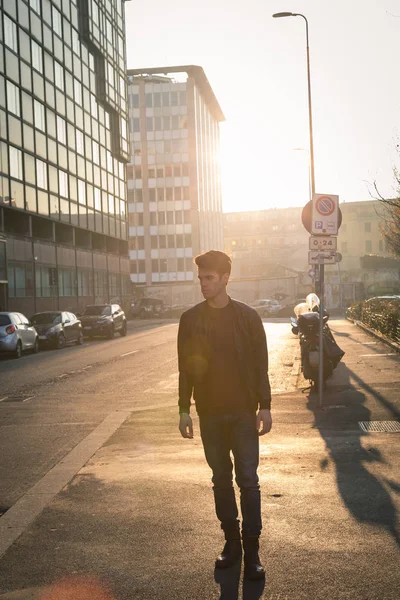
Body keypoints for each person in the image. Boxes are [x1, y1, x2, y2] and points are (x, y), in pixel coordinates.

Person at [177, 250, 272, 580]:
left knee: (248, 481)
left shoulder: (247, 317)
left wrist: (266, 406)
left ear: (226, 278)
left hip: (244, 414)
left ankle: (253, 551)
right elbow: (185, 370)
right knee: (220, 481)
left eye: (209, 278)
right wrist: (183, 410)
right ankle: (232, 543)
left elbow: (261, 365)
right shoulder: (190, 319)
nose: (203, 283)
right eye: (201, 277)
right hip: (210, 415)